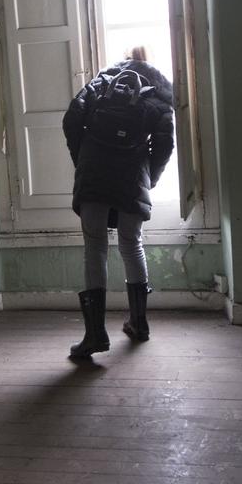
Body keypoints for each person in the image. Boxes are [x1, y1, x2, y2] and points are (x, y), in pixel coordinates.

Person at [60, 45, 175, 360]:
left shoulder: (101, 82)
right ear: (150, 63)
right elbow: (166, 143)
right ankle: (139, 323)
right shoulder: (159, 96)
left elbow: (72, 118)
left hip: (93, 173)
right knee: (131, 243)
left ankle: (94, 334)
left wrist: (82, 158)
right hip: (131, 178)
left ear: (125, 58)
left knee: (94, 248)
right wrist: (148, 177)